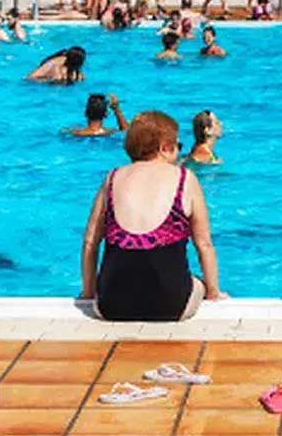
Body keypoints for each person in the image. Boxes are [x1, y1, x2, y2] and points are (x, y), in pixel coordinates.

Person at [79, 110, 226, 321]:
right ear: (165, 148)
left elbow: (89, 242)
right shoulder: (185, 178)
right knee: (198, 284)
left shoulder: (112, 178)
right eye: (177, 146)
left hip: (111, 305)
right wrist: (213, 292)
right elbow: (204, 244)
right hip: (172, 306)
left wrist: (88, 293)